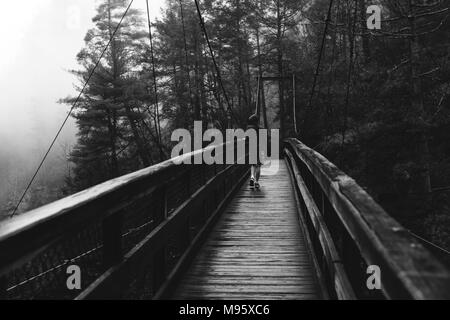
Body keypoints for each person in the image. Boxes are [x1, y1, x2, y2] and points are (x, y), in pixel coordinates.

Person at [247, 114, 261, 189]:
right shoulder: (259, 129)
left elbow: (246, 138)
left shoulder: (248, 129)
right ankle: (256, 182)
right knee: (258, 165)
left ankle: (252, 177)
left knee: (252, 164)